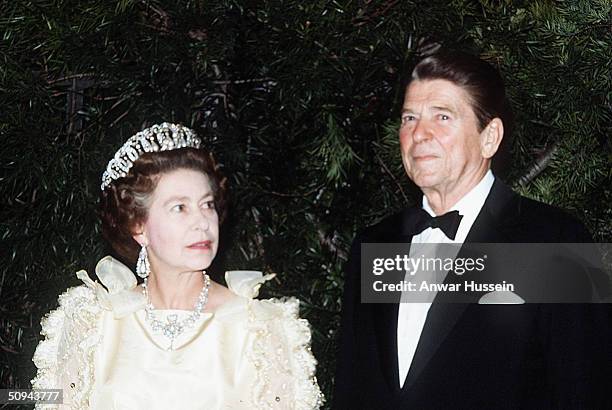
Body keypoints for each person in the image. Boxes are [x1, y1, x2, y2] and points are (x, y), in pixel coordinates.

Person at [333, 51, 610, 409]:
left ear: (489, 138)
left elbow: (588, 391)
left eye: (442, 116)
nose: (419, 134)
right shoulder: (374, 243)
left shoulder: (556, 240)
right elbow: (353, 389)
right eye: (409, 118)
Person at [32, 122, 323, 409]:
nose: (202, 222)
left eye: (207, 204)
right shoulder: (91, 322)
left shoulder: (262, 329)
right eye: (179, 208)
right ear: (139, 227)